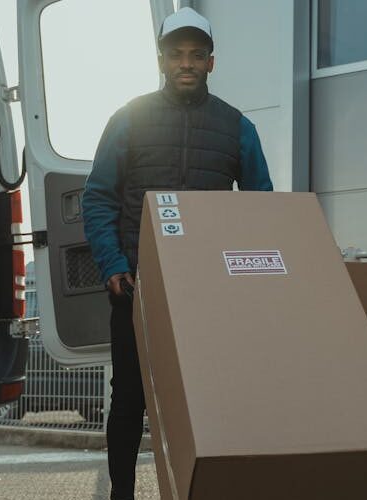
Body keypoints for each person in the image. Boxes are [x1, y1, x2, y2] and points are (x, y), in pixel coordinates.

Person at [80, 7, 273, 499]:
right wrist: (113, 266)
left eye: (196, 54)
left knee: (211, 399)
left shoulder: (237, 128)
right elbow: (98, 196)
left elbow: (259, 208)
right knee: (129, 399)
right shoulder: (128, 118)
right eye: (176, 54)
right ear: (162, 60)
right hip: (137, 286)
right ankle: (122, 494)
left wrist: (246, 277)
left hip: (211, 292)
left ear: (211, 62)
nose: (186, 63)